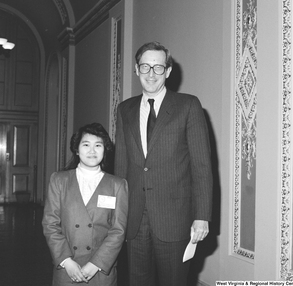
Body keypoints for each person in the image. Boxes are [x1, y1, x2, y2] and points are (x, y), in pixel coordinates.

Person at [114, 41, 213, 286]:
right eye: (145, 66)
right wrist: (117, 214)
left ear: (168, 71)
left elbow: (202, 166)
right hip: (135, 219)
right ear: (136, 70)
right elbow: (120, 166)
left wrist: (202, 216)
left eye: (158, 67)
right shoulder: (124, 109)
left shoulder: (188, 105)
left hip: (175, 218)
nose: (151, 73)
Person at [42, 122, 128, 286]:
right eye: (86, 144)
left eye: (98, 145)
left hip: (101, 271)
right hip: (67, 269)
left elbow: (118, 231)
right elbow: (50, 224)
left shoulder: (118, 185)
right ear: (76, 149)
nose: (92, 151)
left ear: (105, 149)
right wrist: (66, 261)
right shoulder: (59, 180)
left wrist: (96, 264)